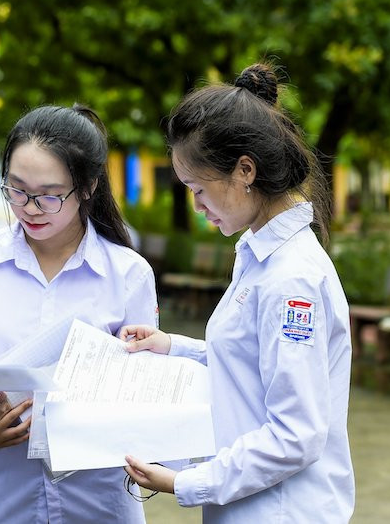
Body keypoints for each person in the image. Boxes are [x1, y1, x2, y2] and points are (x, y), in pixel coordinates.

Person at [120, 63, 355, 522]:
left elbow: (296, 435)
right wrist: (171, 347)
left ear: (244, 170)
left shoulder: (292, 280)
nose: (197, 205)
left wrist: (185, 482)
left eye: (199, 188)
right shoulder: (258, 254)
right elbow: (252, 363)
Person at [0, 104, 158, 523]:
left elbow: (145, 392)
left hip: (98, 503)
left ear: (88, 187)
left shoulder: (127, 274)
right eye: (17, 190)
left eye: (50, 195)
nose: (31, 207)